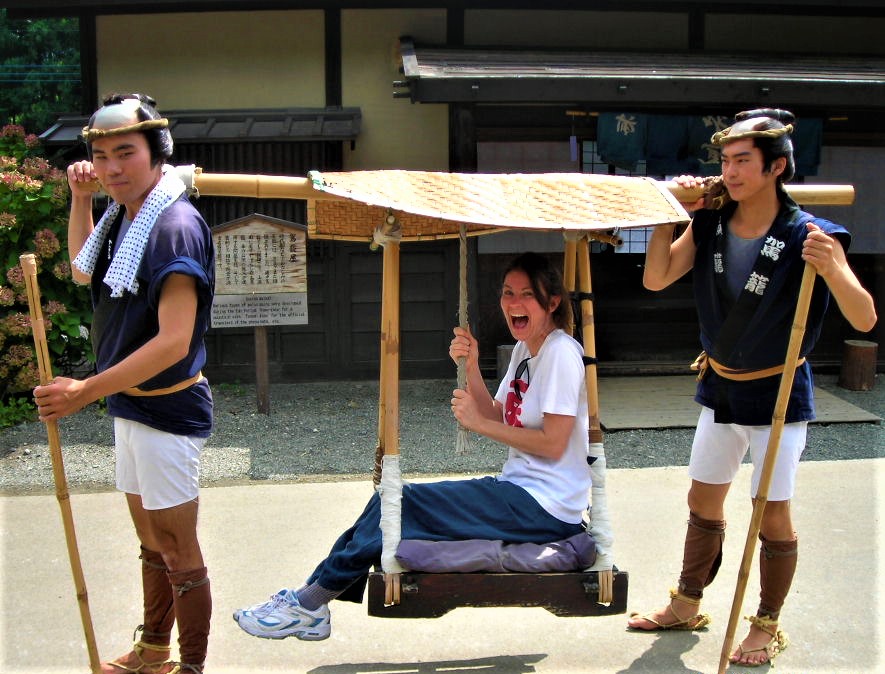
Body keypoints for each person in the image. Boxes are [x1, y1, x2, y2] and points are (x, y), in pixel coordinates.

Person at [232, 251, 591, 641]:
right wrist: (471, 366)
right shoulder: (525, 351)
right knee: (388, 501)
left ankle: (309, 603)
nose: (514, 303)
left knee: (398, 502)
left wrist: (477, 424)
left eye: (527, 294)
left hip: (546, 506)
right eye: (508, 293)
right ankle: (310, 600)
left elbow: (553, 444)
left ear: (552, 302)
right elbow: (498, 414)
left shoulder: (560, 353)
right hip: (519, 492)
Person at [627, 108, 877, 666]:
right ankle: (686, 603)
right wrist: (671, 213)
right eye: (725, 161)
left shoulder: (811, 234)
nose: (730, 172)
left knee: (772, 511)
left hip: (779, 391)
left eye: (743, 160)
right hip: (721, 386)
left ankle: (766, 624)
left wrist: (834, 269)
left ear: (777, 167)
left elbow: (864, 319)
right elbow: (656, 277)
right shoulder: (711, 224)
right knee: (702, 498)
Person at [33, 93, 215, 674]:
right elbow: (82, 267)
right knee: (152, 541)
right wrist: (79, 200)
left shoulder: (174, 226)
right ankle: (154, 652)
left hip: (169, 407)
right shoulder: (122, 217)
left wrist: (84, 390)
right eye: (101, 155)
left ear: (157, 152)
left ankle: (191, 668)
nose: (111, 168)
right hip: (130, 403)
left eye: (126, 153)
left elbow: (174, 341)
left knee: (178, 547)